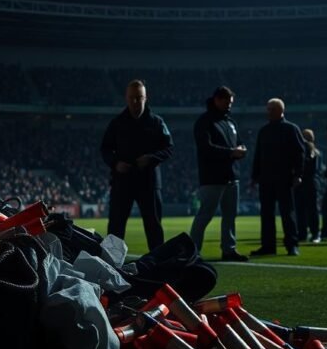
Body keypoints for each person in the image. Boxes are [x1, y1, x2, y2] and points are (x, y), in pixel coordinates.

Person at [101, 79, 174, 251]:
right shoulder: (117, 123)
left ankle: (158, 265)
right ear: (126, 98)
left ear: (146, 98)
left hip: (149, 182)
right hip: (122, 182)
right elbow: (104, 149)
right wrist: (115, 163)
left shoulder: (157, 122)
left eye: (139, 97)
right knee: (116, 227)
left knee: (154, 227)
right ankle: (111, 265)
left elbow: (169, 147)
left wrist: (152, 158)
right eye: (132, 97)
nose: (135, 101)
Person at [189, 86, 249, 262]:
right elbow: (205, 148)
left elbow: (239, 143)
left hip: (231, 176)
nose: (229, 106)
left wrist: (242, 149)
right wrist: (232, 152)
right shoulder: (205, 122)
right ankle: (193, 251)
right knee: (205, 215)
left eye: (231, 103)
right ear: (217, 99)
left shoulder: (230, 122)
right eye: (227, 102)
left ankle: (229, 249)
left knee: (230, 216)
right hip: (212, 177)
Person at [251, 98, 306, 256]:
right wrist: (255, 177)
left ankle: (292, 245)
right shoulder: (264, 131)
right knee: (266, 214)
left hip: (284, 178)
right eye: (268, 109)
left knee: (287, 213)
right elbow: (258, 155)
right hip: (266, 179)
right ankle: (268, 246)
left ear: (280, 110)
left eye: (271, 109)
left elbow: (300, 154)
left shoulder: (291, 129)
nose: (268, 112)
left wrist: (298, 174)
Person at [296, 128, 323, 244]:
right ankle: (312, 233)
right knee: (307, 210)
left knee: (306, 210)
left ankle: (310, 233)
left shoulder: (309, 150)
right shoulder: (315, 151)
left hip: (307, 183)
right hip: (310, 183)